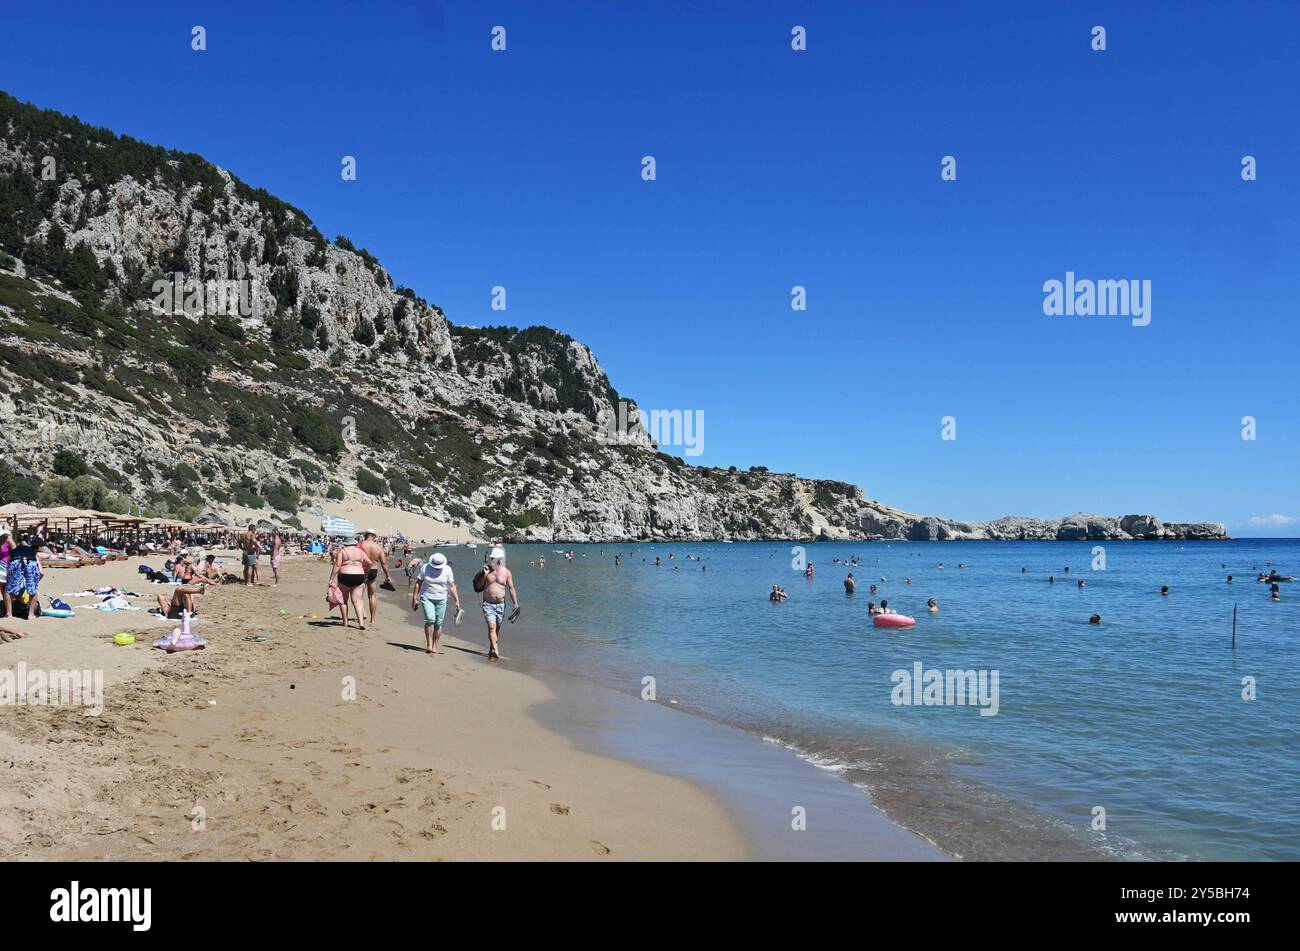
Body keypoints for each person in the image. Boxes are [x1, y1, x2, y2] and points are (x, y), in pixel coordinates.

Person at [474, 547, 518, 664]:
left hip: (501, 605)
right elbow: (479, 587)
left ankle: (491, 648)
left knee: (497, 628)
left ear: (500, 559)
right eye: (492, 558)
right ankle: (496, 650)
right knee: (492, 627)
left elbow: (511, 588)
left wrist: (515, 603)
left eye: (494, 558)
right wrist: (484, 575)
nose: (492, 559)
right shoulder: (486, 571)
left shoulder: (507, 572)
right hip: (488, 604)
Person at [412, 552, 461, 654]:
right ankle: (429, 645)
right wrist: (414, 598)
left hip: (442, 598)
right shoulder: (425, 568)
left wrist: (457, 600)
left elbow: (452, 586)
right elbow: (418, 583)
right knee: (430, 619)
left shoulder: (447, 569)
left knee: (438, 623)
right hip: (427, 597)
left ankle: (434, 646)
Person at [330, 538, 373, 630]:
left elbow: (337, 565)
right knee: (357, 601)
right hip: (359, 576)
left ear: (345, 544)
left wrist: (331, 578)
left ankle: (345, 622)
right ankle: (361, 623)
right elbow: (369, 562)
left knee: (343, 601)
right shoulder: (360, 552)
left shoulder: (342, 551)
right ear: (354, 543)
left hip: (344, 576)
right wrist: (366, 572)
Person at [359, 531, 392, 623]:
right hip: (373, 570)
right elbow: (384, 563)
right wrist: (387, 575)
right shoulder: (378, 547)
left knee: (359, 595)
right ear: (374, 536)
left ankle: (362, 614)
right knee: (372, 595)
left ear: (365, 535)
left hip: (362, 570)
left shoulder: (361, 544)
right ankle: (372, 619)